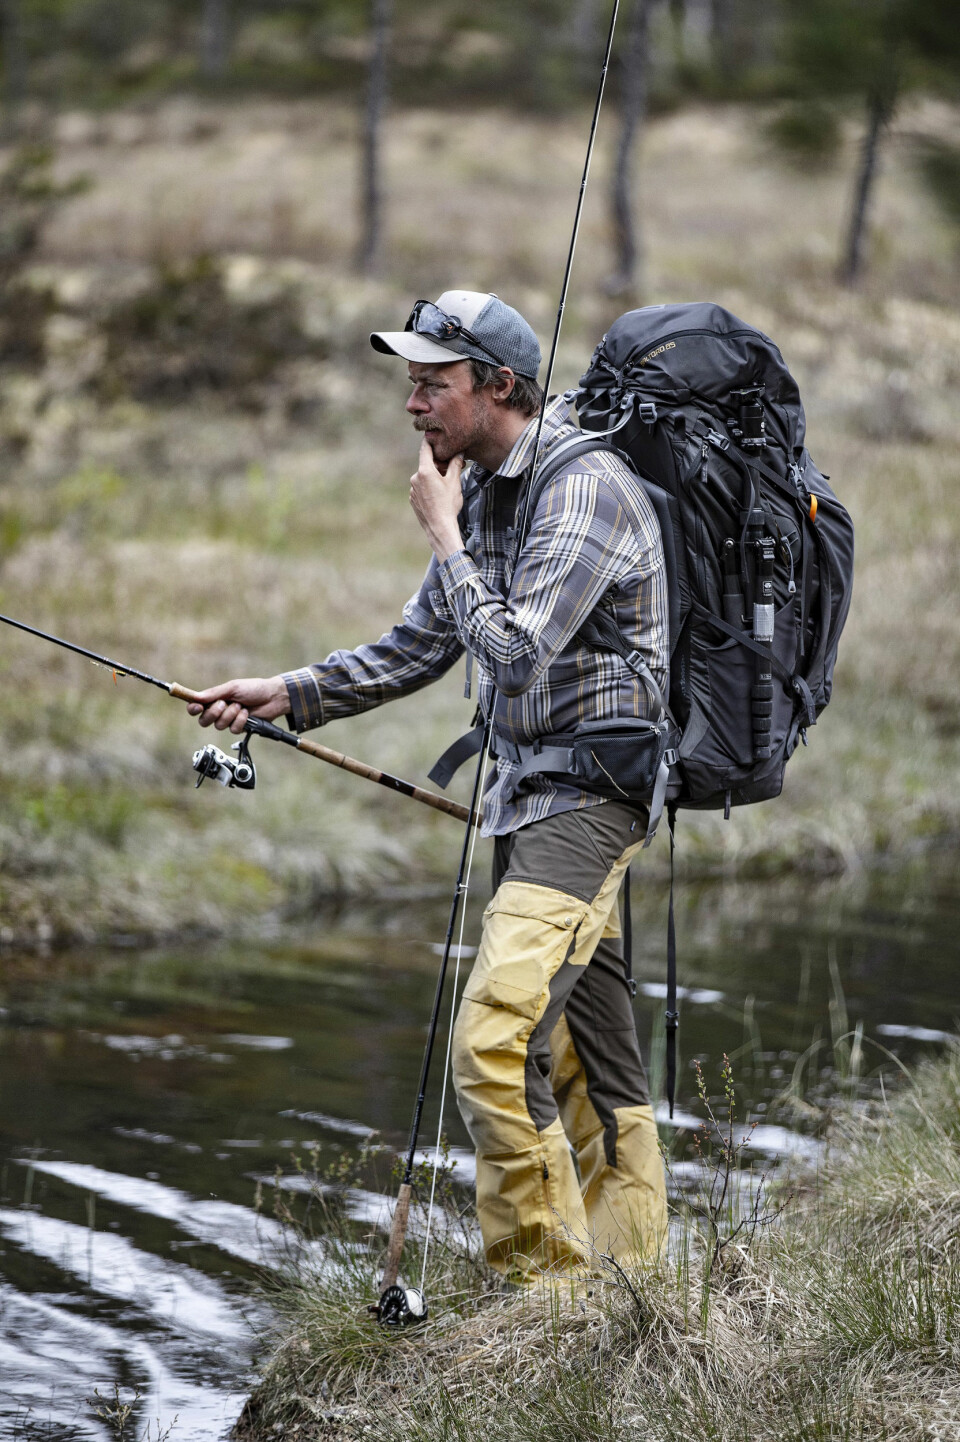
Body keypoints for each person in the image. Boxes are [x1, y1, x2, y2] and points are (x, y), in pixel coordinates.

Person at [188, 289, 669, 1279]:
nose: (413, 404)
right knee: (589, 1056)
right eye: (408, 382)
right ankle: (636, 1280)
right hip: (533, 796)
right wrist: (288, 692)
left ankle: (546, 1296)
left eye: (432, 383)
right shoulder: (486, 483)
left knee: (495, 1042)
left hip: (591, 798)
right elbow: (425, 639)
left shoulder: (584, 489)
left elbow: (519, 653)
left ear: (498, 385)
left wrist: (444, 534)